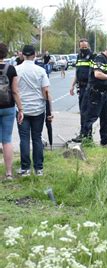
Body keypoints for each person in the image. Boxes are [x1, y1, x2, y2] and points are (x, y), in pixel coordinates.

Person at [16, 45, 53, 177]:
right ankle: (39, 169)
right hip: (38, 109)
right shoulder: (41, 71)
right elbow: (46, 92)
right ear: (35, 54)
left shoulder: (16, 70)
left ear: (22, 55)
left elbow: (14, 91)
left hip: (22, 109)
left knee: (24, 139)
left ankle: (25, 169)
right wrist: (50, 111)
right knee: (37, 138)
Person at [82, 44, 107, 145]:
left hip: (105, 94)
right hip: (96, 93)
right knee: (91, 117)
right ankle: (86, 139)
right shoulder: (99, 58)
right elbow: (97, 74)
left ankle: (105, 140)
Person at [0, 43, 24, 179]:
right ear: (5, 54)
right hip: (8, 107)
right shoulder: (11, 69)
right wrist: (20, 109)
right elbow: (15, 91)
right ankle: (8, 173)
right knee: (7, 140)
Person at [70, 39, 96, 142]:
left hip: (89, 87)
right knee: (82, 111)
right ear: (79, 47)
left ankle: (87, 135)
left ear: (88, 46)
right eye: (82, 47)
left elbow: (94, 72)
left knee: (87, 112)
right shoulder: (79, 56)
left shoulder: (93, 57)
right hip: (81, 87)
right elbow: (77, 72)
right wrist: (72, 86)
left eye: (85, 47)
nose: (84, 49)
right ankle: (84, 134)